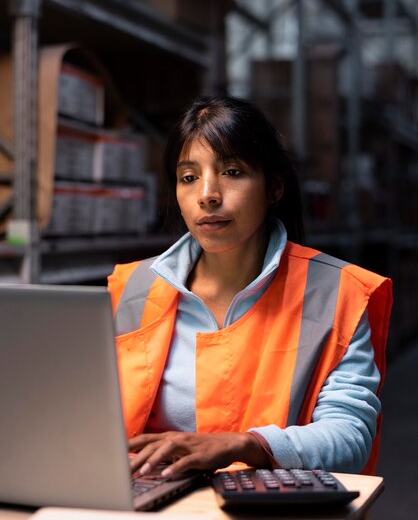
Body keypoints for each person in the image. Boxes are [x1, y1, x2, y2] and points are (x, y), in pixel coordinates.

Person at [108, 95, 392, 480]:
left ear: (273, 188)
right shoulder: (129, 290)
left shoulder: (338, 293)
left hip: (275, 514)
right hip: (154, 511)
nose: (207, 194)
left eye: (232, 172)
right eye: (188, 177)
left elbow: (349, 438)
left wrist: (244, 444)